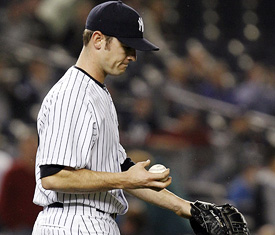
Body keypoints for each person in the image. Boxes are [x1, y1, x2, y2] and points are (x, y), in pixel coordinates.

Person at [32, 1, 247, 235]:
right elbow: (54, 177)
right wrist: (125, 180)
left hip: (92, 221)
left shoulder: (97, 93)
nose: (133, 56)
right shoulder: (73, 94)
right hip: (71, 223)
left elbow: (125, 171)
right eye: (126, 47)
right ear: (98, 40)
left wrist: (189, 208)